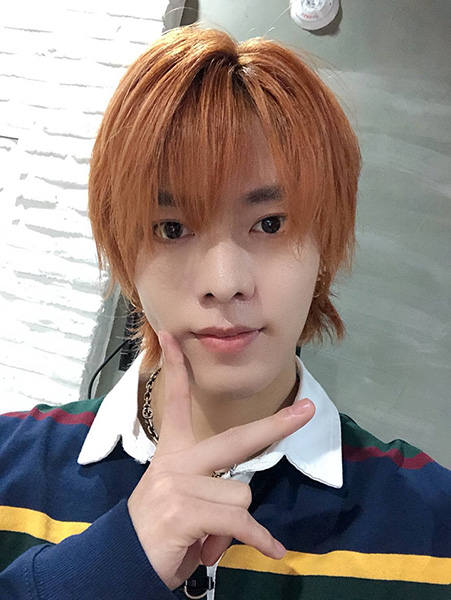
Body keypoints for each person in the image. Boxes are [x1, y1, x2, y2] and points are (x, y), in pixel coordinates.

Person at [1, 24, 450, 600]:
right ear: (124, 251)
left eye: (270, 224)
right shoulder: (11, 466)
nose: (224, 284)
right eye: (171, 228)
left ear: (326, 247)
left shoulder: (431, 528)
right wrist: (109, 564)